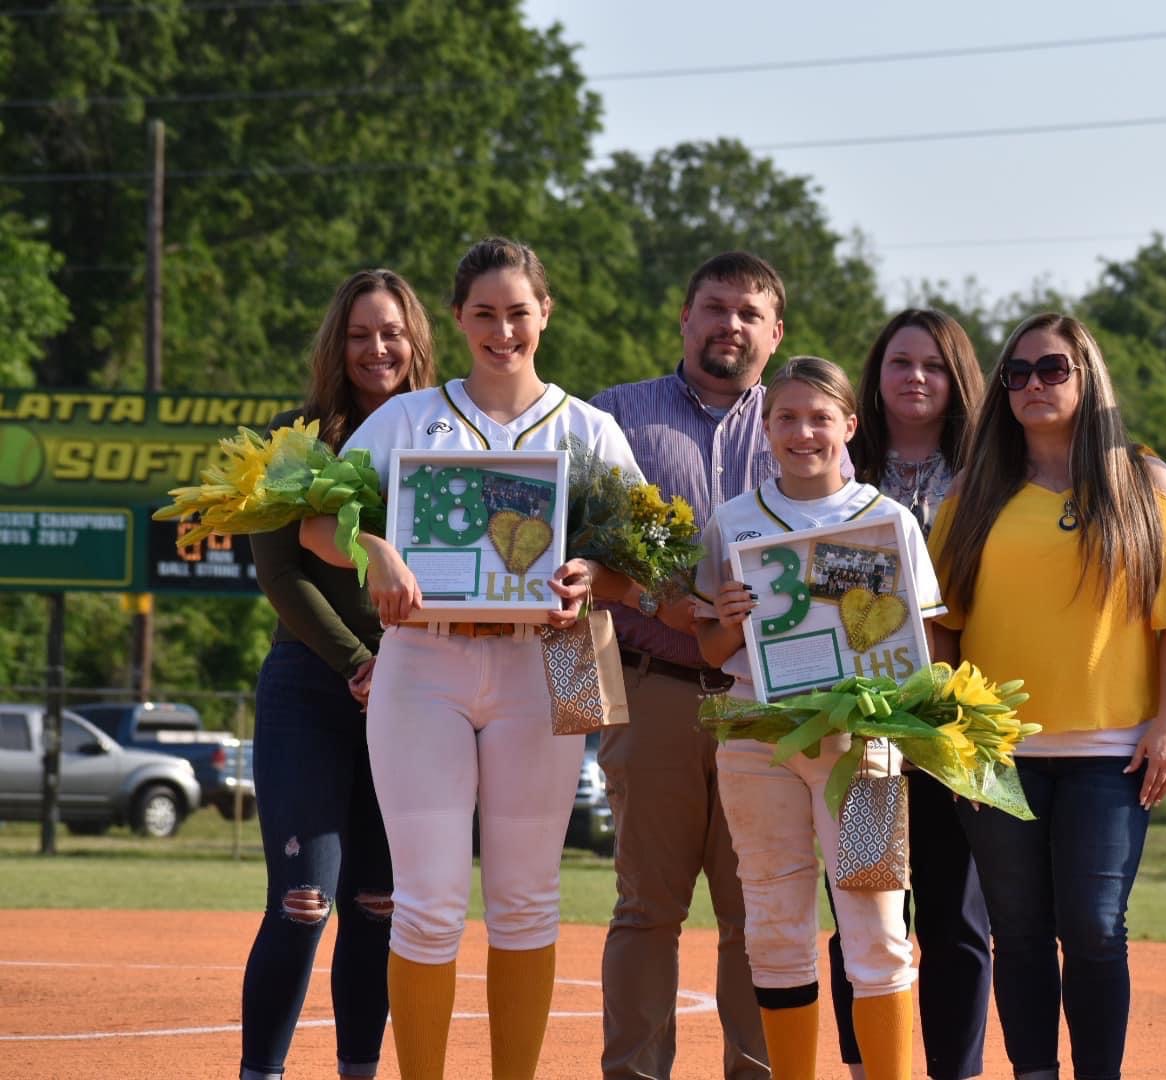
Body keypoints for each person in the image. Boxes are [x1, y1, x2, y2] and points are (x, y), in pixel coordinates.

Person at [300, 237, 640, 1080]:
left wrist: (595, 571)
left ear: (545, 314)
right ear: (455, 318)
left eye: (517, 312)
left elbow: (646, 567)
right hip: (423, 667)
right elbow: (313, 526)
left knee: (526, 901)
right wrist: (371, 545)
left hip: (542, 666)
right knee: (427, 905)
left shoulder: (587, 428)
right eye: (483, 313)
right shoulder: (407, 418)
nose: (501, 330)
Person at [929, 313, 1166, 1080]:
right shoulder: (972, 494)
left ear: (1088, 377)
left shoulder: (1146, 483)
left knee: (1093, 928)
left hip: (1112, 753)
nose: (1031, 385)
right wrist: (959, 735)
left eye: (1052, 368)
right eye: (1015, 374)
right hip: (997, 757)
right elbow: (941, 626)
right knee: (1016, 933)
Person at [696, 355, 943, 1080]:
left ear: (849, 425)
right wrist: (731, 621)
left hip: (862, 743)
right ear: (765, 428)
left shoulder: (887, 518)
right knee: (775, 928)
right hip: (756, 737)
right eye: (786, 418)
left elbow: (915, 648)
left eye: (818, 417)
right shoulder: (735, 519)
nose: (802, 432)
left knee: (877, 927)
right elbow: (712, 648)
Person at [588, 251, 787, 1080]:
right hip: (655, 687)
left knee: (760, 917)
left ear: (776, 334)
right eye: (714, 306)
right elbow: (577, 557)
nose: (729, 325)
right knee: (646, 910)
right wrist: (652, 601)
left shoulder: (805, 423)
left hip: (770, 704)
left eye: (749, 313)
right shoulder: (614, 416)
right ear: (683, 316)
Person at [241, 269, 437, 1080]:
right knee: (304, 901)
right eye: (360, 334)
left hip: (420, 688)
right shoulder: (295, 442)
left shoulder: (444, 437)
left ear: (417, 340)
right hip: (312, 689)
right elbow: (282, 576)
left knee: (377, 908)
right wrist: (359, 664)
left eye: (391, 332)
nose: (377, 348)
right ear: (337, 343)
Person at [826, 309, 991, 1080]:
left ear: (958, 379)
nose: (916, 377)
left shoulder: (994, 472)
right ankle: (868, 1068)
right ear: (876, 374)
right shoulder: (836, 466)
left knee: (957, 917)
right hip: (855, 722)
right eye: (900, 361)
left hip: (954, 723)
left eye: (933, 363)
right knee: (860, 904)